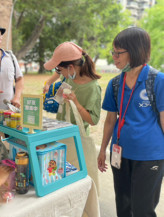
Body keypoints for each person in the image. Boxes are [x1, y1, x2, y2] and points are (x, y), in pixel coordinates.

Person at [97, 27, 164, 217]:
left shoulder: (158, 81)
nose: (114, 58)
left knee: (143, 209)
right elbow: (110, 120)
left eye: (119, 53)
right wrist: (103, 149)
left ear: (135, 51)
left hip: (150, 156)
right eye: (113, 52)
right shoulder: (115, 84)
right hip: (121, 154)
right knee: (123, 205)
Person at [44, 42, 101, 132]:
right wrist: (48, 83)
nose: (60, 73)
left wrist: (75, 103)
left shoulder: (93, 88)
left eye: (60, 69)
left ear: (71, 67)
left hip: (77, 136)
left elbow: (93, 121)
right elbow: (58, 73)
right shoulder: (69, 76)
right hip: (59, 130)